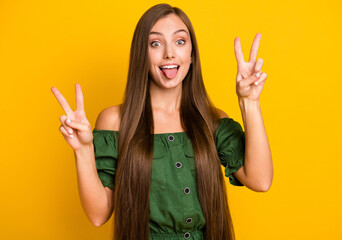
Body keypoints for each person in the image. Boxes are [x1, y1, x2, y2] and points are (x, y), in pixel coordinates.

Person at [51, 3, 272, 240]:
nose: (169, 53)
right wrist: (83, 150)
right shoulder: (115, 121)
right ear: (141, 54)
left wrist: (249, 101)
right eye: (155, 43)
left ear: (192, 54)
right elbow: (98, 215)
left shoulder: (212, 121)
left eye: (180, 42)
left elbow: (260, 180)